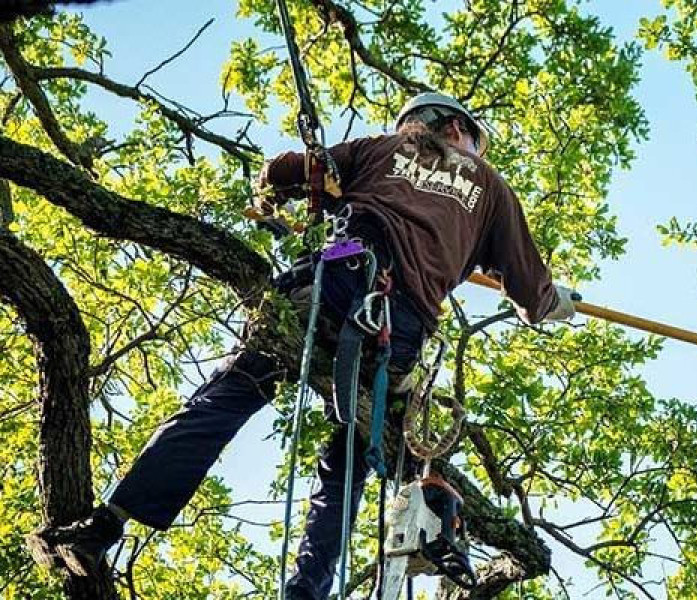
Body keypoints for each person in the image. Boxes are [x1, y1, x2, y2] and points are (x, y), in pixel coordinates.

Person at [26, 92, 577, 599]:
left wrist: (284, 194)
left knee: (229, 395)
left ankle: (107, 524)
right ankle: (306, 591)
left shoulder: (380, 148)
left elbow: (285, 172)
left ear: (421, 126)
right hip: (396, 329)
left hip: (331, 286)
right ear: (458, 128)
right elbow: (530, 290)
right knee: (350, 460)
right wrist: (558, 302)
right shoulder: (490, 188)